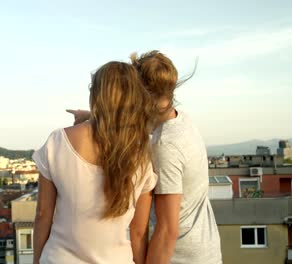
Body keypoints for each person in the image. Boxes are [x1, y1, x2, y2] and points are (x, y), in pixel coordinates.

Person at [68, 51, 222, 264]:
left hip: (179, 258)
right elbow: (138, 122)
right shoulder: (181, 121)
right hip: (205, 250)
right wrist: (92, 117)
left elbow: (168, 229)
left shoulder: (164, 146)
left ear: (142, 93)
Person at [33, 61, 158, 264]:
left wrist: (37, 260)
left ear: (95, 96)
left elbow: (43, 214)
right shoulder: (141, 154)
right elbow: (138, 232)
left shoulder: (58, 142)